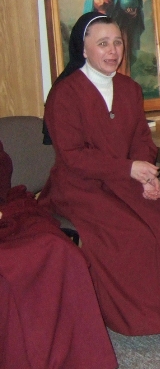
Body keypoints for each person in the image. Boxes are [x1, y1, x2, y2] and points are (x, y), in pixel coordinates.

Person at [40, 13, 160, 351]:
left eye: (118, 43)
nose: (113, 51)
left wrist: (148, 174)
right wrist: (129, 170)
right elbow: (73, 156)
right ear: (83, 49)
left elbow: (141, 139)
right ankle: (156, 317)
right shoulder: (64, 94)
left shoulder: (129, 89)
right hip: (79, 187)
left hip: (125, 178)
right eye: (103, 44)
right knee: (131, 234)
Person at [0, 140, 118, 369]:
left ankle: (82, 361)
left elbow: (2, 165)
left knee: (59, 250)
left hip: (5, 209)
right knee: (9, 275)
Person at [83, 0, 145, 74]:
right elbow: (99, 3)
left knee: (122, 61)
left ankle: (122, 82)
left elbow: (125, 12)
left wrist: (132, 13)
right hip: (103, 30)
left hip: (120, 28)